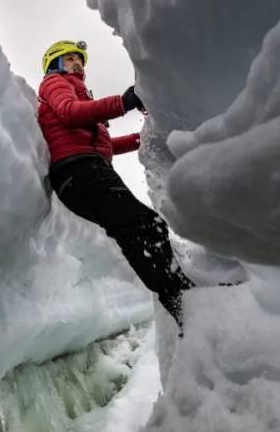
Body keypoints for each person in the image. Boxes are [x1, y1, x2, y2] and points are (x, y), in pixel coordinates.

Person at [37, 39, 195, 331]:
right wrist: (123, 102)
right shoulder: (56, 83)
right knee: (145, 227)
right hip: (80, 170)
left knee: (139, 228)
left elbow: (106, 143)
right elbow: (70, 112)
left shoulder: (78, 93)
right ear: (55, 64)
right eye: (70, 58)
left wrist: (143, 138)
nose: (77, 65)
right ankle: (182, 298)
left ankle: (180, 295)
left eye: (80, 61)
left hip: (85, 173)